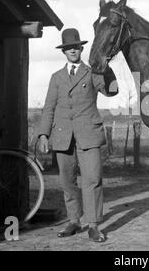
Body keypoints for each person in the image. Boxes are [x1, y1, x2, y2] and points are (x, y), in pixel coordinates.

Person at [37, 28, 108, 242]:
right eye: (68, 48)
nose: (73, 50)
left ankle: (94, 225)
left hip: (88, 133)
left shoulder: (93, 72)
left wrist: (107, 69)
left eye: (76, 47)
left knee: (92, 179)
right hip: (62, 135)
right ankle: (74, 221)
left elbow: (110, 90)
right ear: (64, 51)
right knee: (67, 181)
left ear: (81, 48)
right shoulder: (56, 77)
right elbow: (49, 107)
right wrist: (43, 134)